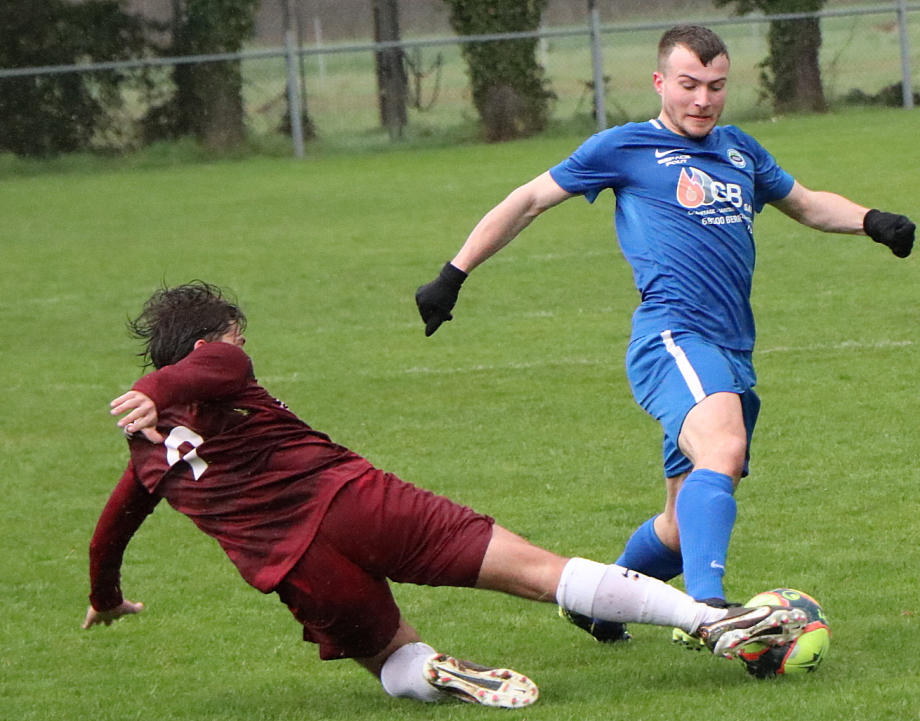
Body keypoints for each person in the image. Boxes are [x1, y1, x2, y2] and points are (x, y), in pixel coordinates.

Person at [84, 282, 806, 709]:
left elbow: (108, 534)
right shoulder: (220, 362)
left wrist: (107, 595)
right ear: (217, 337)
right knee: (536, 569)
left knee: (388, 655)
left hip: (296, 569)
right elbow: (213, 363)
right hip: (358, 501)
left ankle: (427, 669)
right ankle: (708, 620)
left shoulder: (146, 459)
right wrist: (152, 389)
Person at [415, 25, 914, 642]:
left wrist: (872, 220)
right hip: (672, 337)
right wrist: (453, 274)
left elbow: (807, 204)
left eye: (715, 86)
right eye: (688, 85)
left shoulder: (740, 151)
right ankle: (711, 613)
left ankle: (601, 603)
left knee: (679, 532)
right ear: (660, 83)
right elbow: (528, 201)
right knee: (723, 447)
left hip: (731, 348)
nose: (702, 100)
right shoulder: (621, 148)